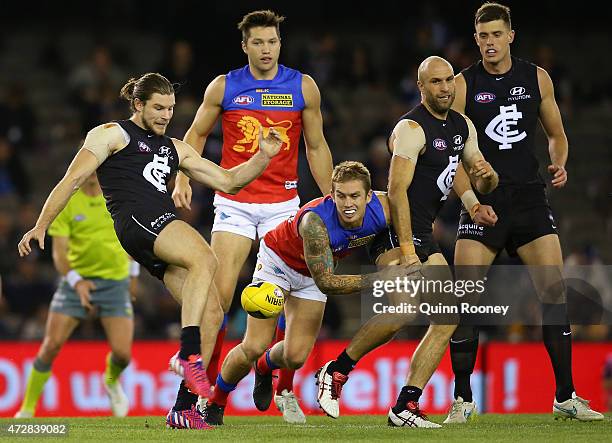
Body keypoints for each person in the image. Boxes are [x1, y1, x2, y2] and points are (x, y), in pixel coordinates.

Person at [17, 72, 284, 430]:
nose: (165, 115)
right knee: (206, 257)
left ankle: (183, 408)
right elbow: (73, 179)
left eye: (170, 108)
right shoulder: (112, 133)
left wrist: (263, 156)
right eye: (158, 107)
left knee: (213, 313)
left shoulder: (175, 147)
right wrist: (41, 224)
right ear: (138, 104)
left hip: (154, 236)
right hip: (139, 220)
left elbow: (228, 181)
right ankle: (189, 353)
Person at [315, 56, 499, 428]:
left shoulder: (462, 126)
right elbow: (397, 192)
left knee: (448, 317)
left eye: (449, 80)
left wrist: (480, 195)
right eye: (435, 82)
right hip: (395, 230)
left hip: (424, 232)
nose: (445, 87)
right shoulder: (411, 129)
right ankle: (336, 370)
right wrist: (409, 249)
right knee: (403, 309)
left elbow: (467, 172)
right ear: (422, 87)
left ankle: (405, 406)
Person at [171, 9, 333, 423]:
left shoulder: (303, 87)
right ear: (245, 46)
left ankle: (280, 385)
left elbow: (315, 147)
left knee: (292, 299)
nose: (266, 49)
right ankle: (198, 396)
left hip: (283, 205)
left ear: (281, 43)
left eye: (272, 41)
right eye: (258, 42)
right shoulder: (225, 86)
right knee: (217, 301)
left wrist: (331, 194)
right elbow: (195, 134)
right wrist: (183, 176)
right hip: (236, 205)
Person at [445, 2, 603, 423]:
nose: (491, 43)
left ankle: (565, 396)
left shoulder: (536, 78)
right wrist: (471, 202)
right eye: (483, 36)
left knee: (554, 295)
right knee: (465, 301)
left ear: (511, 35)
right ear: (475, 39)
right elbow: (452, 153)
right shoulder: (463, 85)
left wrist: (560, 162)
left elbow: (557, 135)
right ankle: (462, 399)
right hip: (483, 202)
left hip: (529, 198)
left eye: (497, 34)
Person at [201, 161, 413, 426]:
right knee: (253, 345)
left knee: (295, 357)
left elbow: (412, 223)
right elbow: (327, 283)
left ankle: (265, 367)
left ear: (369, 196)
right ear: (331, 194)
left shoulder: (384, 209)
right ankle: (215, 401)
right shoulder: (315, 222)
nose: (348, 204)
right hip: (278, 263)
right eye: (341, 196)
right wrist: (382, 277)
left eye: (355, 196)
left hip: (312, 274)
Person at [14, 172, 137, 418]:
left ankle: (111, 381)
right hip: (75, 282)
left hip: (115, 282)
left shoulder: (118, 195)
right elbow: (59, 254)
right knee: (50, 345)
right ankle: (26, 409)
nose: (91, 169)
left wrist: (133, 275)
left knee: (123, 354)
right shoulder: (67, 202)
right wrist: (77, 282)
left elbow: (131, 238)